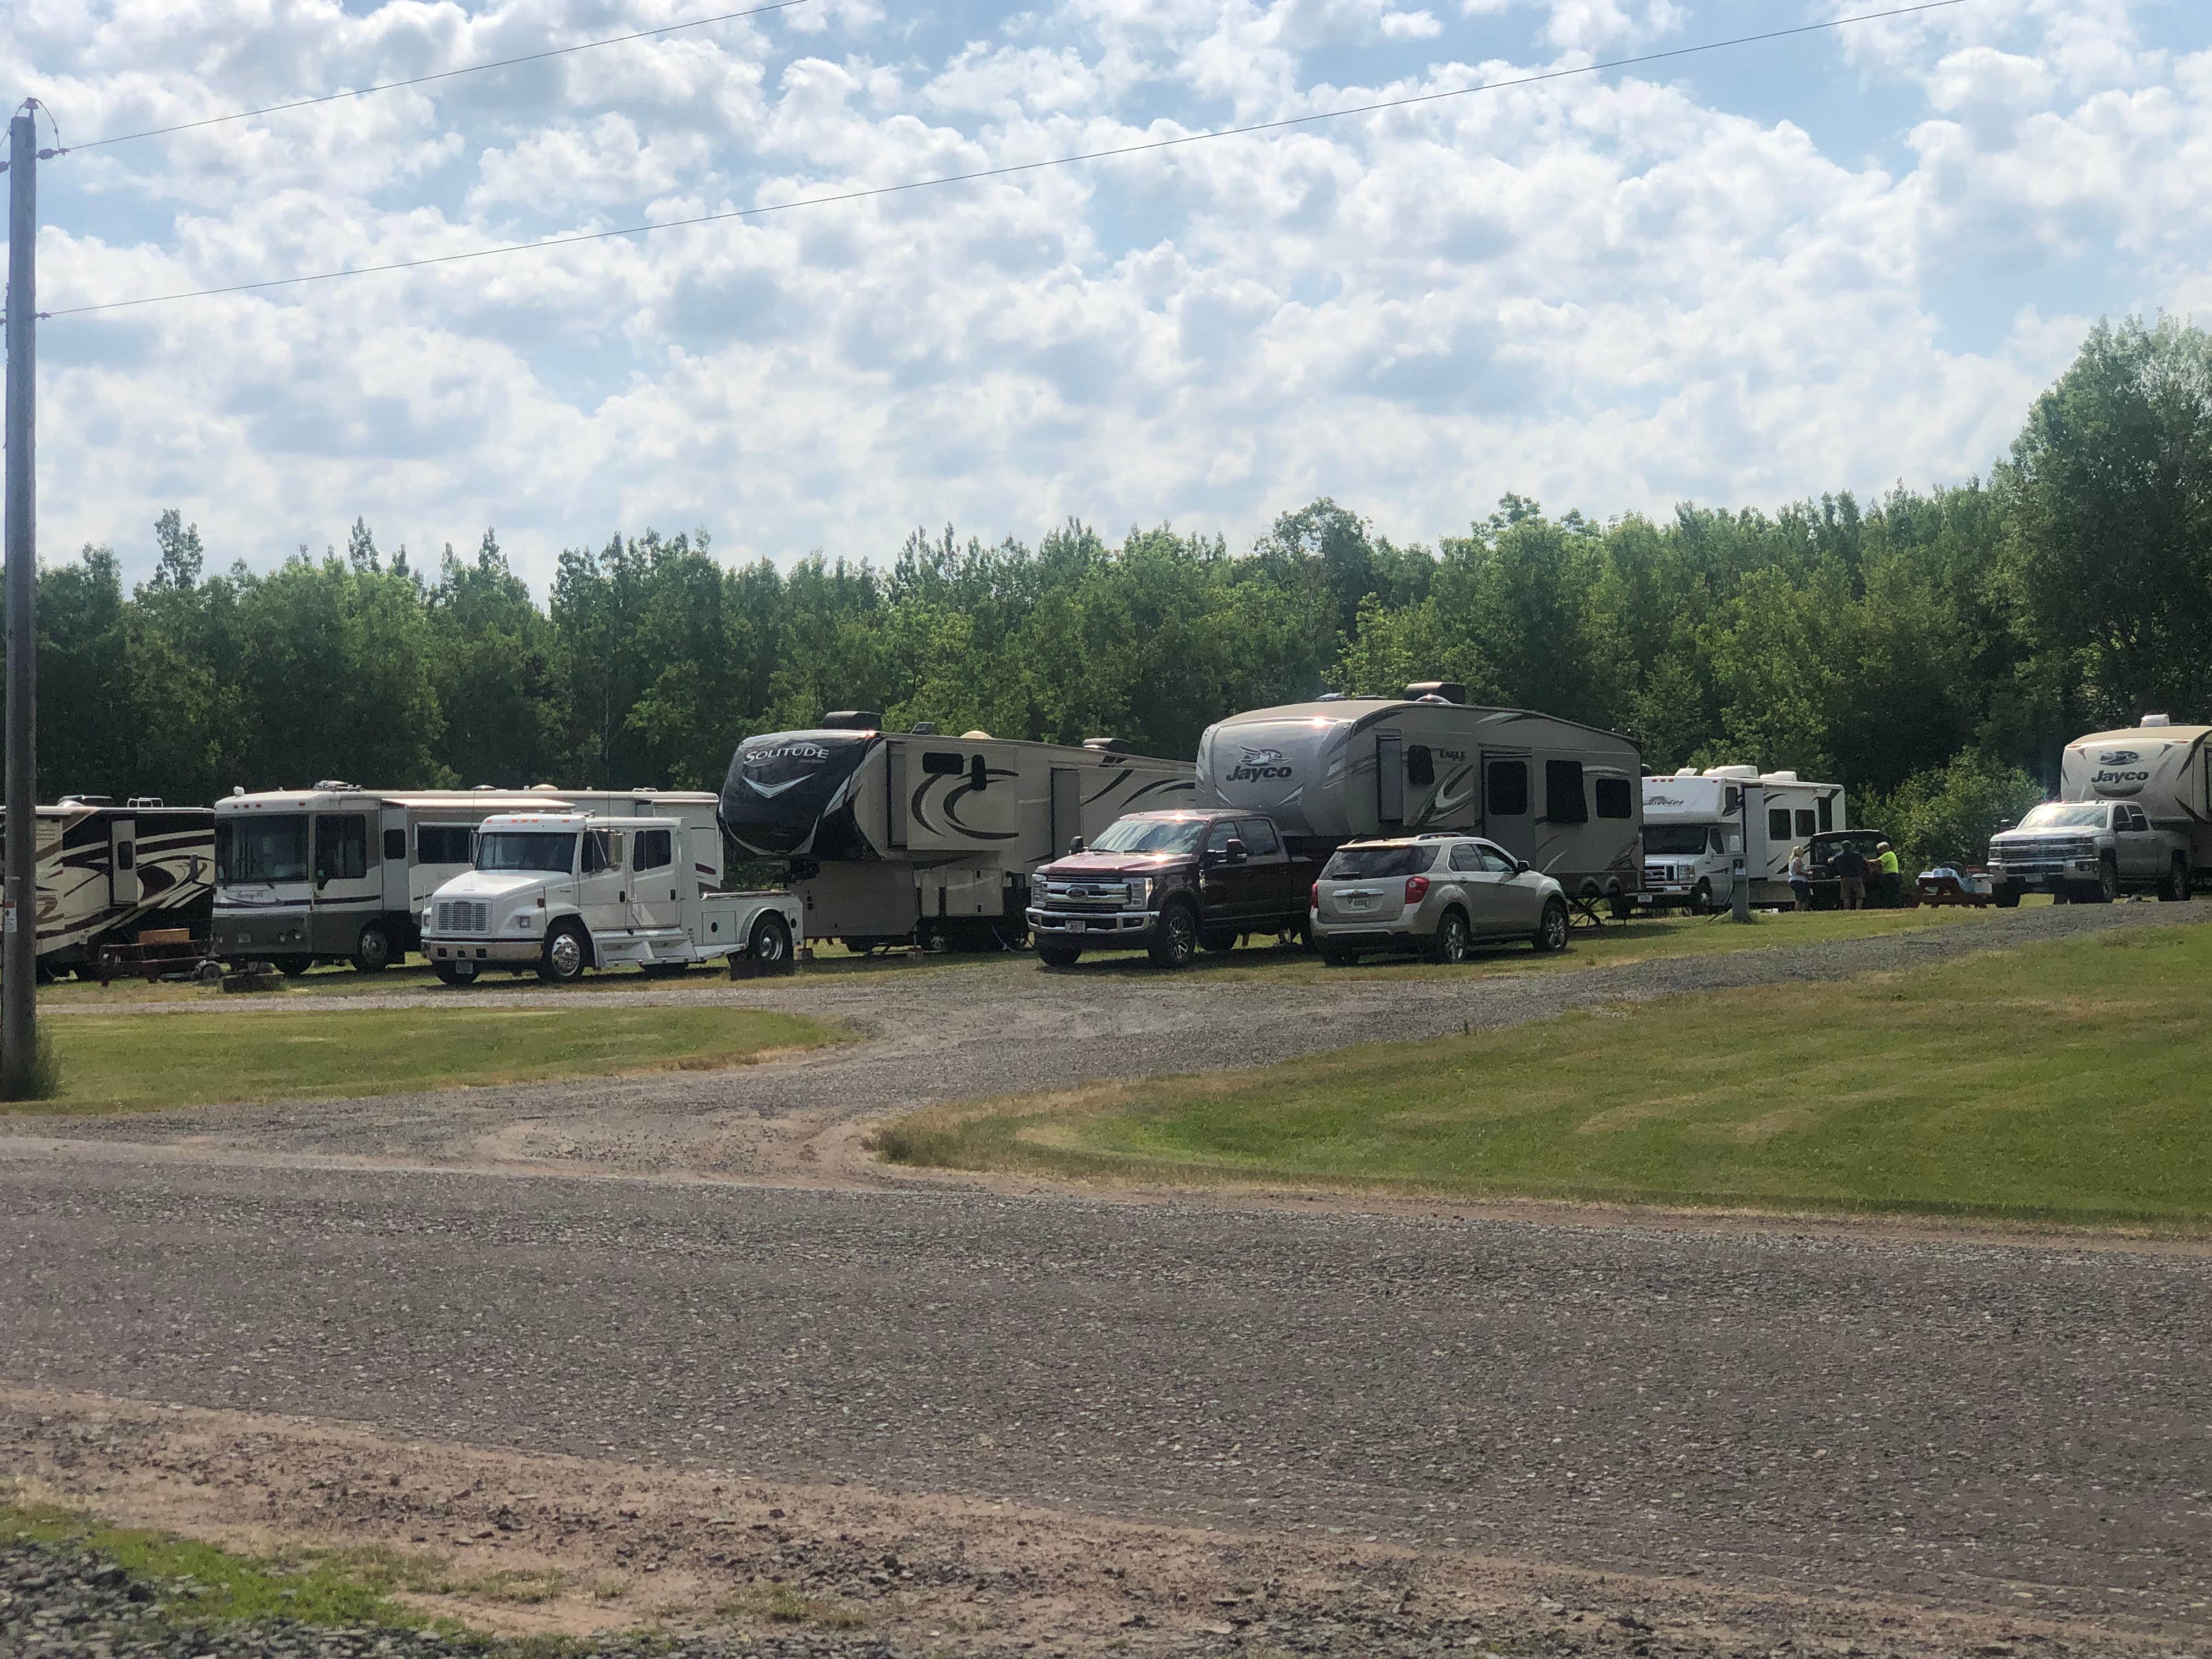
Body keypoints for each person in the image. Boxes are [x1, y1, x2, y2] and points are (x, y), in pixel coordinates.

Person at [1832, 843, 1867, 910]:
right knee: (1860, 895)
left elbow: (1832, 862)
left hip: (1845, 878)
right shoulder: (1857, 855)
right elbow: (1865, 861)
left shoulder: (1839, 856)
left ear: (1842, 847)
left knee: (1846, 896)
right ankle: (1858, 909)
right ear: (1851, 846)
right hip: (1857, 877)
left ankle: (1847, 909)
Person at [1875, 840, 1902, 906]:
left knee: (1891, 892)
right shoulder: (1891, 854)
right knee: (1893, 892)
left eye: (1881, 849)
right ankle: (1894, 905)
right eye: (1879, 850)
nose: (1879, 852)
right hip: (1893, 875)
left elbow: (1876, 862)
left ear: (1887, 848)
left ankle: (1894, 906)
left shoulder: (1888, 854)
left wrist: (1866, 861)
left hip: (1891, 876)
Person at [1788, 845, 1813, 911]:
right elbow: (1798, 871)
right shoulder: (1798, 861)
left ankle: (1799, 912)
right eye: (1802, 851)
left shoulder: (1792, 860)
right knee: (1803, 898)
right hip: (1799, 881)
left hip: (1794, 881)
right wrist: (1807, 874)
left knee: (1799, 898)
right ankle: (1802, 911)